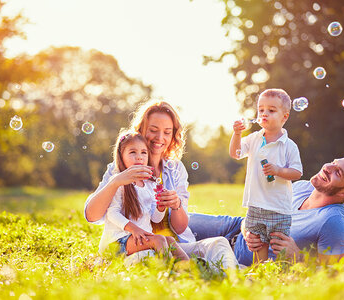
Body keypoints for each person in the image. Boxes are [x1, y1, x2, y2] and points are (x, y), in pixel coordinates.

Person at [85, 100, 238, 268]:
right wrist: (115, 182)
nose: (160, 138)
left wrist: (175, 205)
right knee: (151, 258)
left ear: (173, 136)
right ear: (141, 130)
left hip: (174, 245)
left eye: (167, 132)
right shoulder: (120, 169)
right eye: (153, 130)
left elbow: (178, 228)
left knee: (219, 244)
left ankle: (233, 280)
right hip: (137, 248)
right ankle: (182, 273)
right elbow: (92, 216)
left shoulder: (175, 169)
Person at [188, 153, 344, 266]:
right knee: (174, 219)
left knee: (174, 250)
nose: (327, 168)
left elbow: (334, 275)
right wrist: (247, 228)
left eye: (338, 172)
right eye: (333, 162)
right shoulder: (302, 186)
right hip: (235, 227)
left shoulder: (334, 222)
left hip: (239, 256)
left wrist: (298, 256)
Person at [229, 88, 302, 263]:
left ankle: (283, 272)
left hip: (278, 207)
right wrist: (237, 134)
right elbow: (236, 153)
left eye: (271, 110)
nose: (264, 114)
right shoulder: (254, 138)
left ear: (284, 117)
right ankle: (261, 272)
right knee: (257, 243)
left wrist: (278, 170)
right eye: (261, 110)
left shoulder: (288, 146)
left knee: (279, 245)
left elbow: (297, 172)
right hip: (256, 204)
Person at [100, 131, 189, 260]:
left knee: (169, 240)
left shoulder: (149, 185)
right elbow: (112, 213)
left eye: (143, 152)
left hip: (139, 238)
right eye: (132, 152)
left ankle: (190, 269)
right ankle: (170, 272)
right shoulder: (118, 181)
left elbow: (156, 219)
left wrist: (160, 207)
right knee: (158, 240)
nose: (139, 157)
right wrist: (134, 229)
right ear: (121, 156)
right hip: (117, 241)